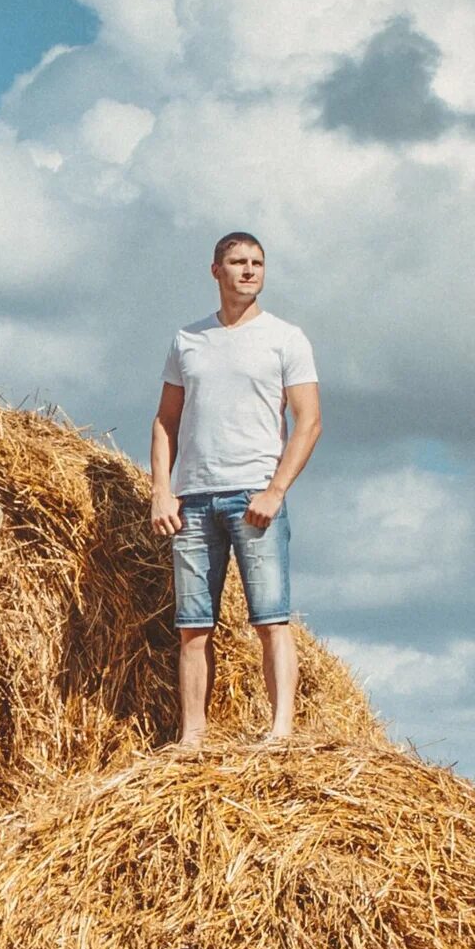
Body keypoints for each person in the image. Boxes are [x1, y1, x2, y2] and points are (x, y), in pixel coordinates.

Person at [149, 230, 321, 747]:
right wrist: (162, 490)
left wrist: (276, 490)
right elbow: (165, 420)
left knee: (271, 618)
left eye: (257, 263)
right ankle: (193, 735)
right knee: (192, 627)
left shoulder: (286, 338)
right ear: (216, 270)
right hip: (195, 498)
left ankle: (281, 730)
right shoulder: (188, 340)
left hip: (254, 498)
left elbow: (308, 420)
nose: (249, 271)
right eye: (238, 262)